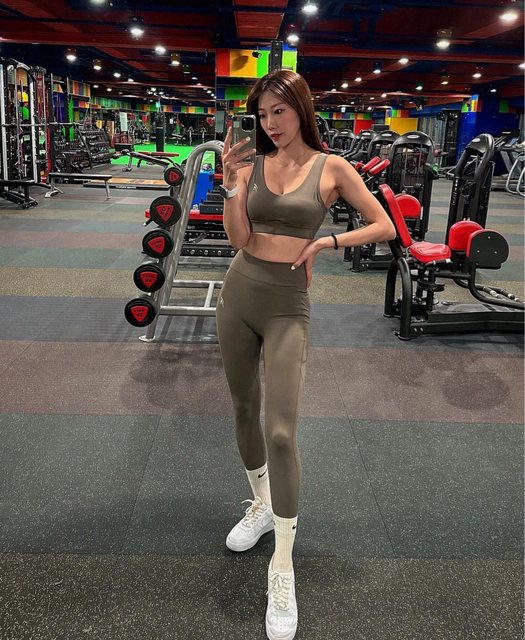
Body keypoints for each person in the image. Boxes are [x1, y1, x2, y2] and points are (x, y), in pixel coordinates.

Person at [216, 69, 395, 640]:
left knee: (281, 431)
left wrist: (326, 241)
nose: (270, 123)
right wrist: (230, 186)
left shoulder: (332, 167)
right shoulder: (252, 164)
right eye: (262, 114)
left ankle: (283, 565)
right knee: (244, 408)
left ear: (300, 108)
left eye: (280, 111)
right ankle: (261, 505)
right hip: (239, 293)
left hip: (287, 305)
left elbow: (386, 225)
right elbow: (238, 239)